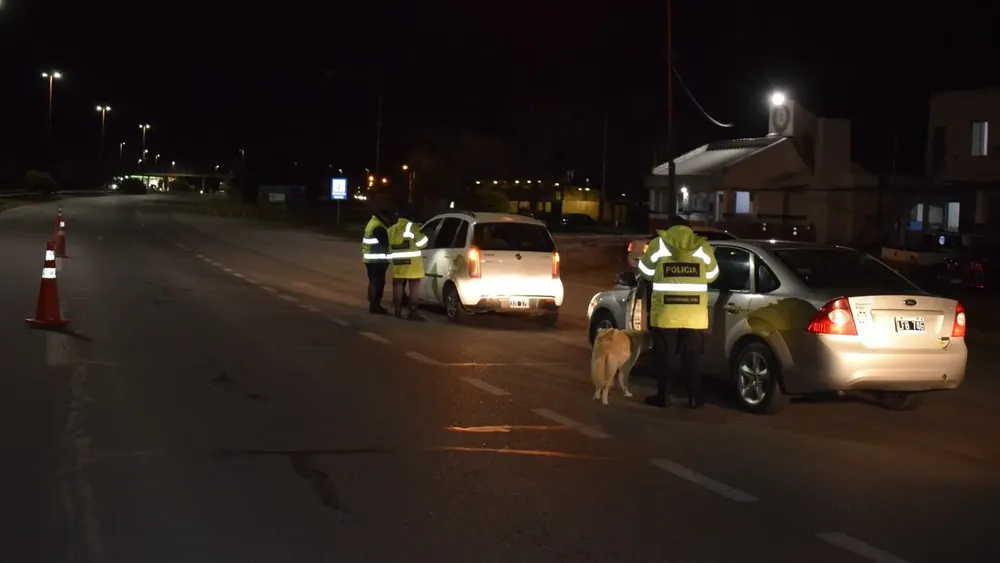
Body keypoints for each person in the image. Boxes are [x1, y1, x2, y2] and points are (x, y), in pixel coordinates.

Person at [636, 217, 719, 409]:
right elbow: (713, 275)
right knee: (692, 357)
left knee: (664, 356)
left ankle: (663, 396)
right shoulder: (702, 247)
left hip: (665, 312)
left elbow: (645, 271)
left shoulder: (659, 244)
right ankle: (692, 398)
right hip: (694, 314)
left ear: (670, 229)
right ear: (689, 230)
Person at [387, 207, 429, 321]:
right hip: (412, 265)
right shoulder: (412, 227)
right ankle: (413, 312)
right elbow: (423, 243)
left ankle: (397, 310)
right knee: (414, 288)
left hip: (397, 263)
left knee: (398, 286)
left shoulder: (391, 229)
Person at [361, 209, 395, 314]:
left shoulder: (373, 223)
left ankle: (373, 304)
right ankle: (375, 305)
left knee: (373, 281)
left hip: (372, 258)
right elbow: (385, 242)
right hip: (376, 259)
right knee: (377, 282)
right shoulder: (378, 227)